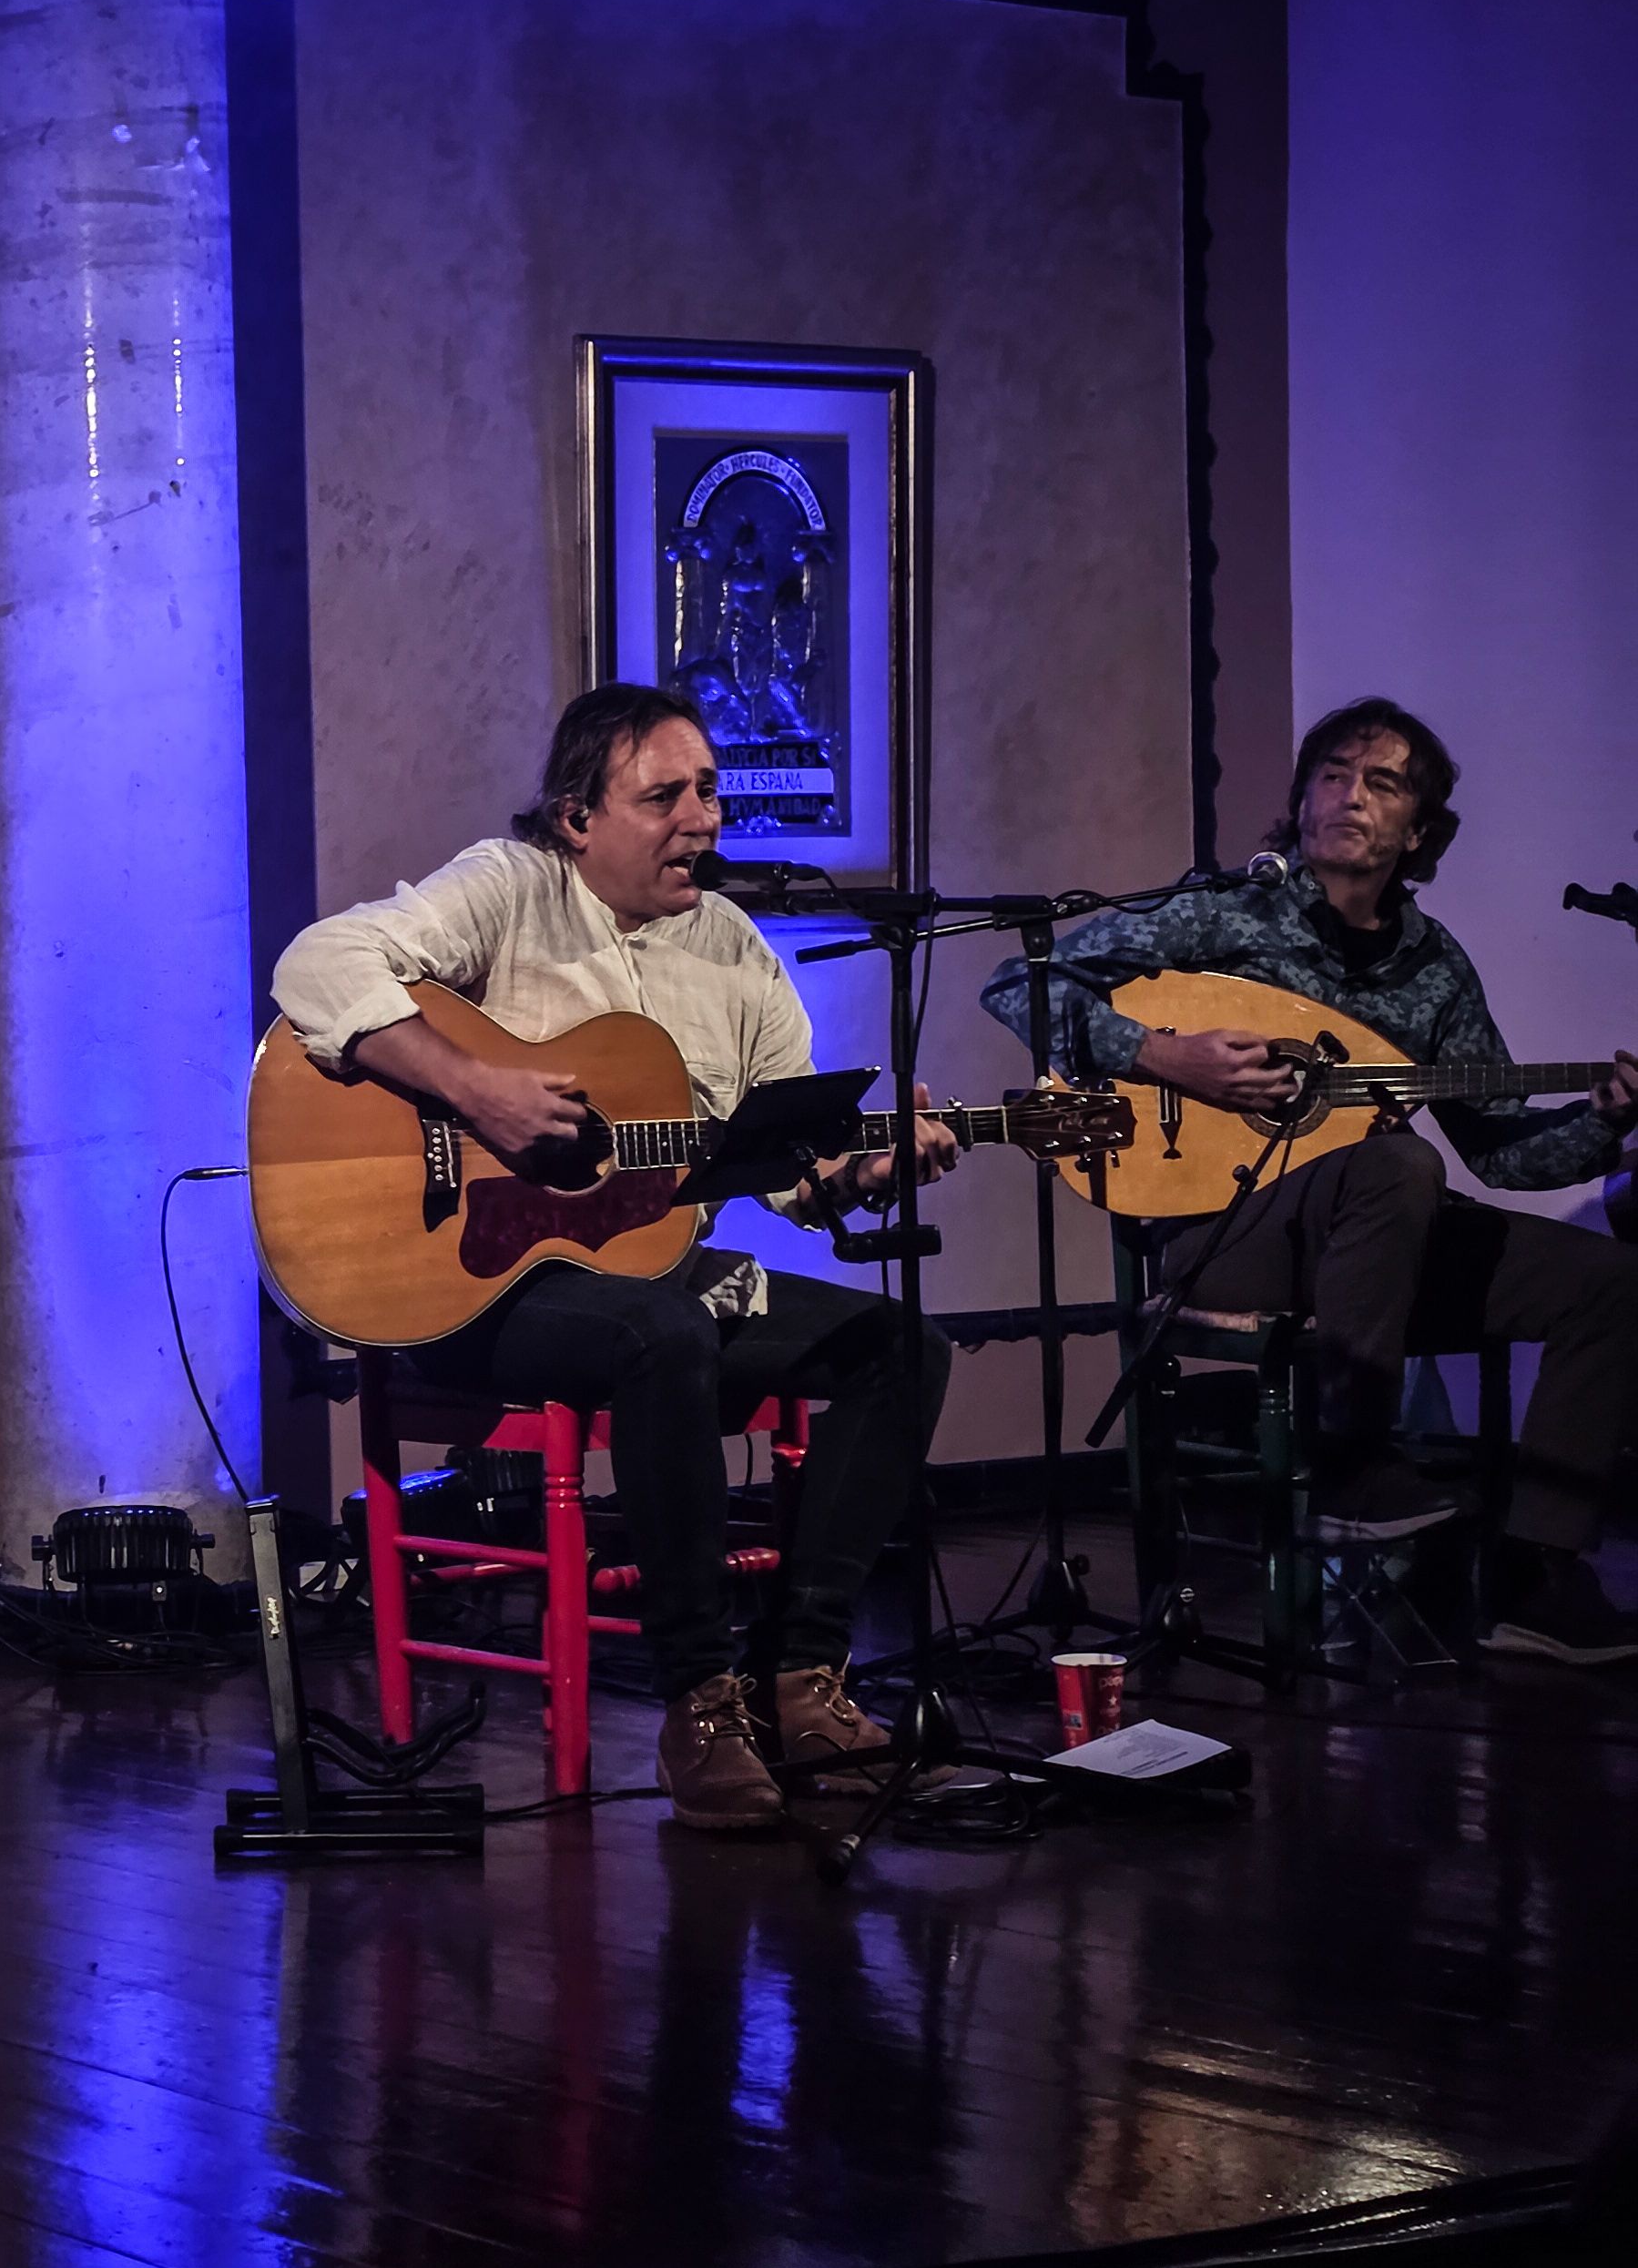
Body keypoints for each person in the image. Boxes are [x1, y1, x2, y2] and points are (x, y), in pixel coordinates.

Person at [272, 684, 954, 1834]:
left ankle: (799, 1679)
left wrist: (853, 1174)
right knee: (665, 1330)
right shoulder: (511, 887)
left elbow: (781, 1167)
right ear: (577, 816)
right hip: (480, 1281)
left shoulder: (736, 952)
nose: (704, 817)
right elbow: (318, 964)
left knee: (905, 1345)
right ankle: (698, 1699)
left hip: (650, 1284)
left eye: (711, 791)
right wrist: (475, 1088)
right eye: (666, 795)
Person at [982, 699, 1638, 1663]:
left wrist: (1606, 1121)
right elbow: (1019, 984)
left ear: (1418, 831)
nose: (1350, 796)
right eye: (1332, 773)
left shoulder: (1435, 968)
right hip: (1226, 1237)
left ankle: (1537, 1574)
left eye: (1383, 783)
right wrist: (1165, 1054)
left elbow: (1501, 1152)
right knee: (1395, 1162)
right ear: (1299, 799)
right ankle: (1353, 1466)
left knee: (1612, 1284)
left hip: (1379, 1243)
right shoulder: (1224, 915)